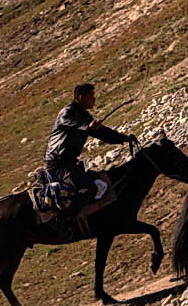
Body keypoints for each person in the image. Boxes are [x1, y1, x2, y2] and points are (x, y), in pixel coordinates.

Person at [44, 83, 137, 236]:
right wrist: (86, 126)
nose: (94, 99)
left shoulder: (85, 115)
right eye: (91, 96)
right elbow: (71, 123)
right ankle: (64, 221)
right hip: (58, 164)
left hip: (69, 163)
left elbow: (103, 133)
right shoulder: (67, 112)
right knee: (89, 188)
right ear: (81, 97)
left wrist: (125, 138)